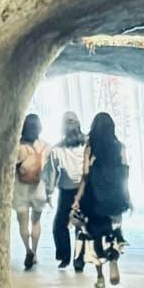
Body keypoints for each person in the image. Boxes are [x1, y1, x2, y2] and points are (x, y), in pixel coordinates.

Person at [72, 111, 130, 288]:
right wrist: (126, 195)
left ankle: (100, 277)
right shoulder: (120, 147)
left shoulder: (90, 148)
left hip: (95, 200)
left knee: (96, 235)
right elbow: (125, 172)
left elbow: (85, 175)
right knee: (113, 231)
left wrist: (77, 198)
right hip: (115, 199)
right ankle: (113, 261)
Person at [49, 112, 87, 270]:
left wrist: (49, 192)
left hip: (66, 191)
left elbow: (53, 173)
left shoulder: (57, 149)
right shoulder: (87, 144)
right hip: (84, 190)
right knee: (81, 225)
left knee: (59, 225)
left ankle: (64, 256)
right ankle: (79, 260)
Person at [13, 113, 51, 270]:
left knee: (22, 224)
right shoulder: (46, 147)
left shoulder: (18, 147)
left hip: (21, 190)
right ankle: (34, 253)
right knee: (36, 222)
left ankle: (27, 250)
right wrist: (49, 191)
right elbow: (49, 171)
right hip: (39, 189)